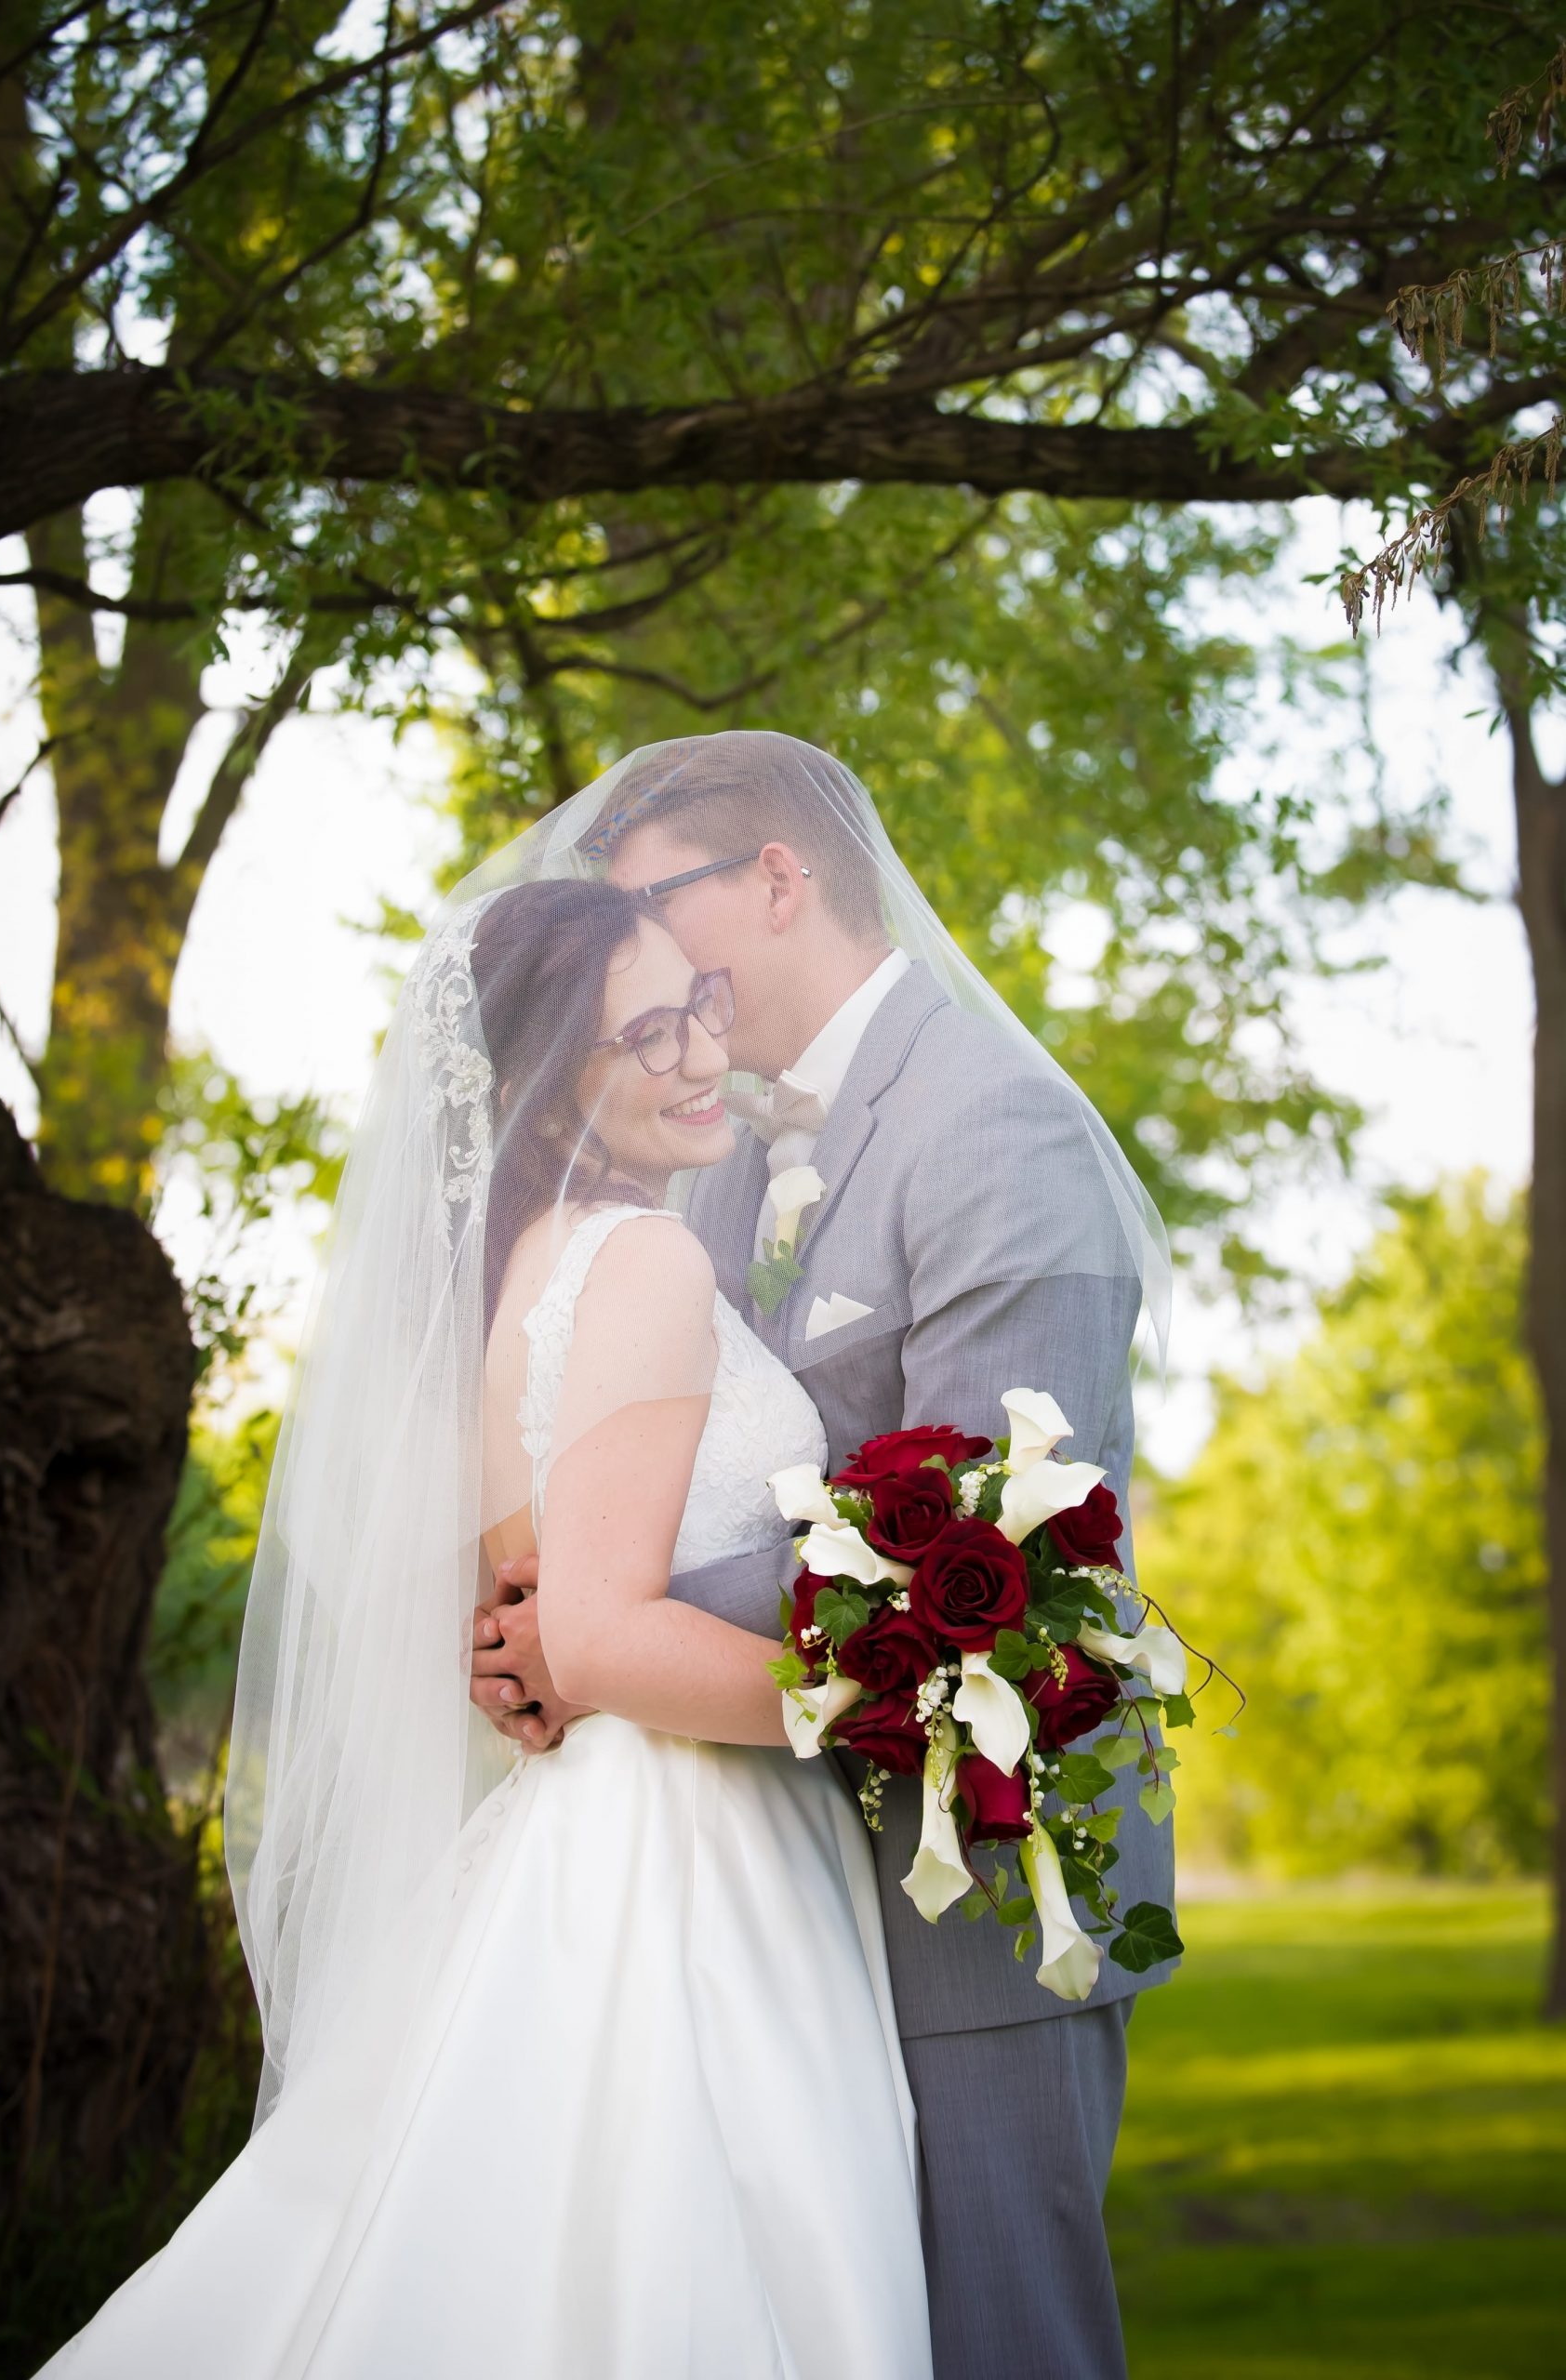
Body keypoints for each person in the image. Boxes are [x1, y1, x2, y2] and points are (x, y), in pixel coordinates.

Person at [38, 876, 930, 2378]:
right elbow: (590, 1635)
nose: (699, 1056)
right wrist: (900, 1695)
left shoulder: (509, 1275)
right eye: (643, 1036)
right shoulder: (640, 1260)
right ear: (536, 1085)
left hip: (579, 1822)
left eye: (698, 1005)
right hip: (689, 1850)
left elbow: (528, 1609)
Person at [471, 730, 1174, 2380]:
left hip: (980, 1877)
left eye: (652, 902)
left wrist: (593, 1627)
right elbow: (635, 1455)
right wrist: (546, 1604)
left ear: (777, 881)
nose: (629, 956)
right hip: (748, 1874)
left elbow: (1012, 1546)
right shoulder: (692, 1159)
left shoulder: (995, 1124)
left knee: (1000, 2342)